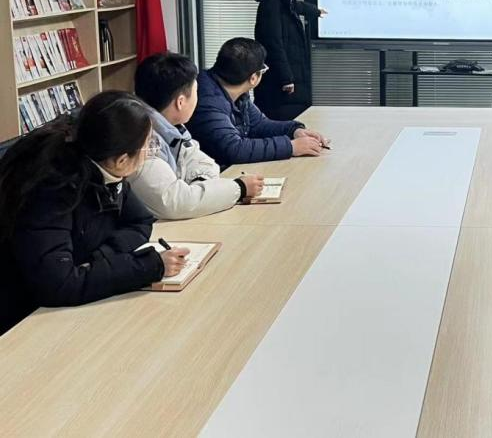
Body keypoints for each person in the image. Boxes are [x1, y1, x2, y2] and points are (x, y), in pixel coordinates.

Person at [0, 91, 190, 335]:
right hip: (22, 319)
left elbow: (140, 221)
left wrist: (101, 258)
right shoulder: (52, 187)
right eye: (148, 146)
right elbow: (58, 285)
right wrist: (148, 266)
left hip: (62, 304)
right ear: (122, 160)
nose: (149, 153)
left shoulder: (103, 163)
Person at [129, 52, 266, 220]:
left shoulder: (172, 127)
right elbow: (174, 203)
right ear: (180, 102)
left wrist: (198, 187)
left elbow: (206, 164)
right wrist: (239, 188)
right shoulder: (139, 138)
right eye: (196, 92)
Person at [187, 37, 328, 169]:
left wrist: (294, 130)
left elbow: (258, 124)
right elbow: (234, 149)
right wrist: (291, 147)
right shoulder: (207, 100)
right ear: (253, 78)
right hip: (214, 176)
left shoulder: (236, 91)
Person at [252, 0, 326, 121]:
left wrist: (315, 11)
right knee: (286, 122)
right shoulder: (271, 5)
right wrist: (286, 78)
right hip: (280, 83)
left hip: (290, 75)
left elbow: (295, 6)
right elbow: (273, 45)